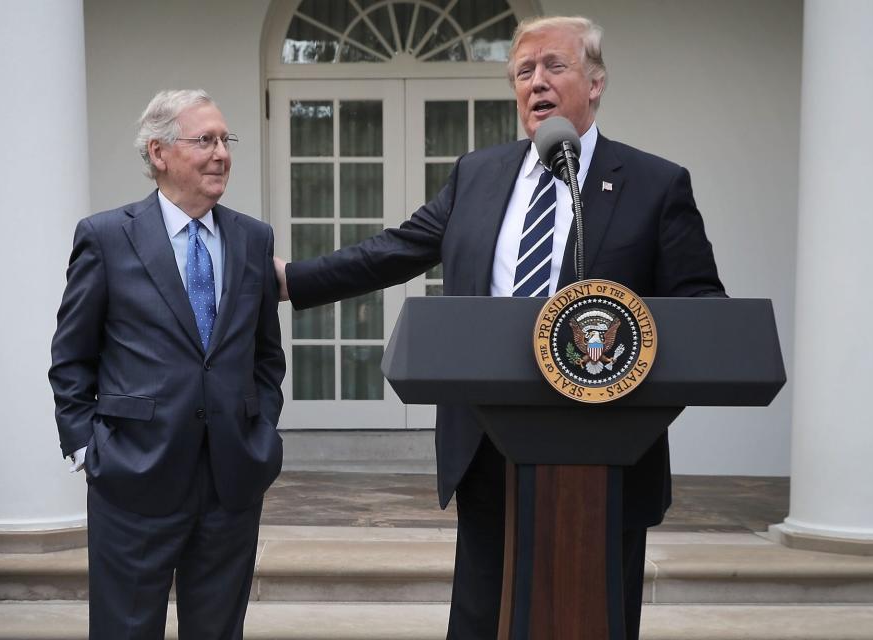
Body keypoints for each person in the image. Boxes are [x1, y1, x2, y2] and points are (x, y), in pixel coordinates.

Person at [275, 15, 724, 640]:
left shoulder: (654, 184)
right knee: (483, 615)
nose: (535, 82)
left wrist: (631, 380)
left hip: (608, 450)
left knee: (594, 616)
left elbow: (701, 308)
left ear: (595, 84)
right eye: (523, 72)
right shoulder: (478, 174)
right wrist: (291, 279)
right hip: (489, 441)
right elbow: (397, 248)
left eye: (554, 67)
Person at [50, 89, 285, 639]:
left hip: (232, 481)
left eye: (226, 140)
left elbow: (266, 356)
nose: (222, 153)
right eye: (205, 140)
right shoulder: (107, 237)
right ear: (159, 153)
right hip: (132, 479)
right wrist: (89, 449)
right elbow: (70, 358)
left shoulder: (254, 239)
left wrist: (262, 431)